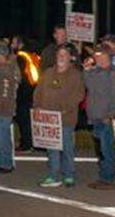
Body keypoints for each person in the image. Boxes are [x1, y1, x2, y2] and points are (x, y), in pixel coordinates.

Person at [33, 44, 84, 187]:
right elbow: (38, 91)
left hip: (66, 118)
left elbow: (79, 95)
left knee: (67, 147)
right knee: (52, 148)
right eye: (59, 55)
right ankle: (53, 175)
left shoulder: (75, 74)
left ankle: (69, 175)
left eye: (64, 55)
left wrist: (65, 109)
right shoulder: (48, 72)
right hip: (48, 119)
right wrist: (37, 106)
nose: (61, 57)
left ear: (70, 58)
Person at [83, 44, 115, 189]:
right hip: (95, 116)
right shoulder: (96, 72)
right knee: (101, 151)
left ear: (108, 56)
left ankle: (108, 179)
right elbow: (88, 85)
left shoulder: (114, 73)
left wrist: (111, 114)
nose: (98, 58)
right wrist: (87, 70)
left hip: (106, 118)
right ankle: (104, 176)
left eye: (101, 55)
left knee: (107, 149)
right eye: (96, 55)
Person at [0, 40, 21, 172]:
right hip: (2, 109)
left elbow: (5, 88)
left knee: (2, 137)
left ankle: (5, 164)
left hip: (2, 110)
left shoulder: (4, 69)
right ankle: (3, 162)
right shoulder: (4, 68)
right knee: (1, 136)